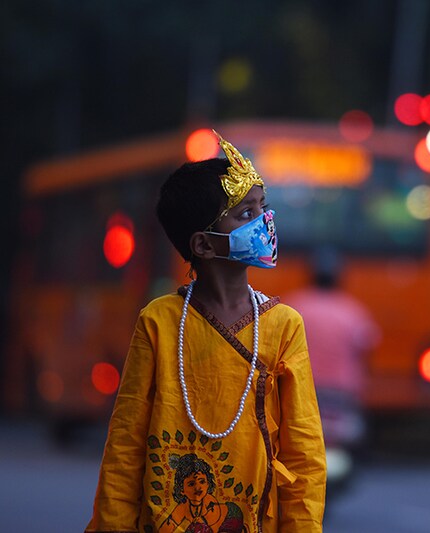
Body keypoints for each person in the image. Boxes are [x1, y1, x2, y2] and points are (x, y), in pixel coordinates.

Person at [86, 131, 326, 533]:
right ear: (204, 244)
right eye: (245, 214)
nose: (264, 222)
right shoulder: (159, 322)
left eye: (262, 208)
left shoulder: (284, 326)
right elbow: (125, 445)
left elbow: (305, 454)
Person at [285, 247, 380, 485]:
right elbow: (366, 348)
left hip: (301, 391)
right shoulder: (352, 311)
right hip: (342, 394)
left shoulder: (294, 306)